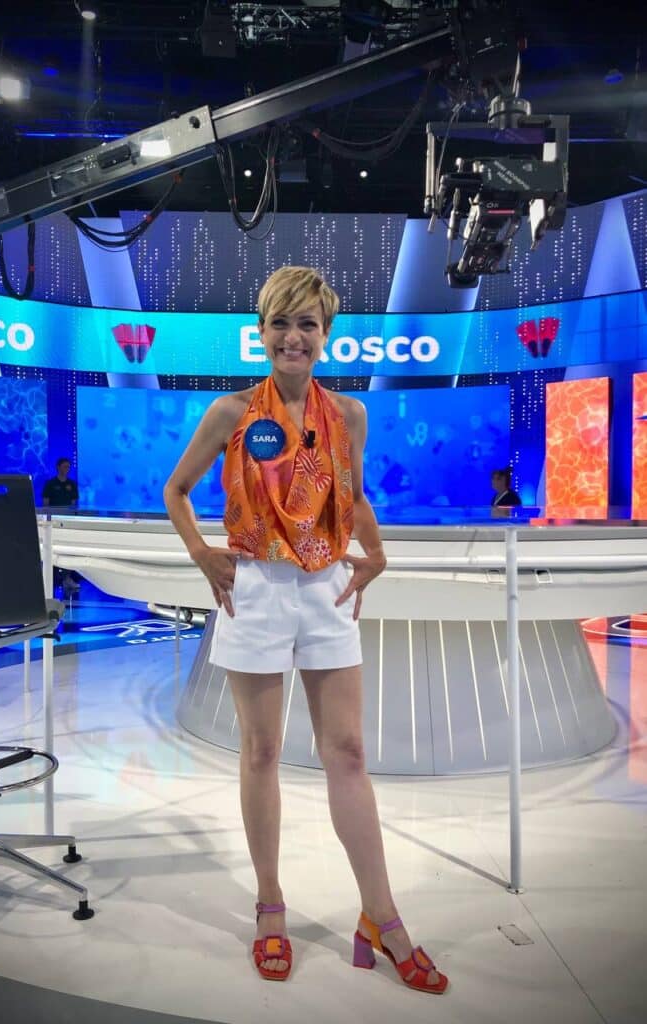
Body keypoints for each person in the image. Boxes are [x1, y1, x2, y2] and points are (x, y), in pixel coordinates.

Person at [163, 266, 448, 994]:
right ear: (261, 332)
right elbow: (177, 489)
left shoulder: (348, 414)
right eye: (280, 324)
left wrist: (376, 553)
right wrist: (201, 553)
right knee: (260, 751)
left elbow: (351, 497)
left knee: (347, 752)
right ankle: (270, 906)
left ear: (326, 336)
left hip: (326, 588)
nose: (293, 337)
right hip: (255, 588)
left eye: (307, 325)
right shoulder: (230, 412)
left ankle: (381, 917)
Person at [42, 458, 80, 595]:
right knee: (51, 549)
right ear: (58, 467)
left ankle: (67, 578)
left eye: (68, 467)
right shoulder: (50, 484)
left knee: (68, 549)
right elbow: (45, 503)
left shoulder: (72, 484)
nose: (66, 469)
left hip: (68, 521)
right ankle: (49, 579)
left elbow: (74, 504)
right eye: (64, 466)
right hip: (53, 522)